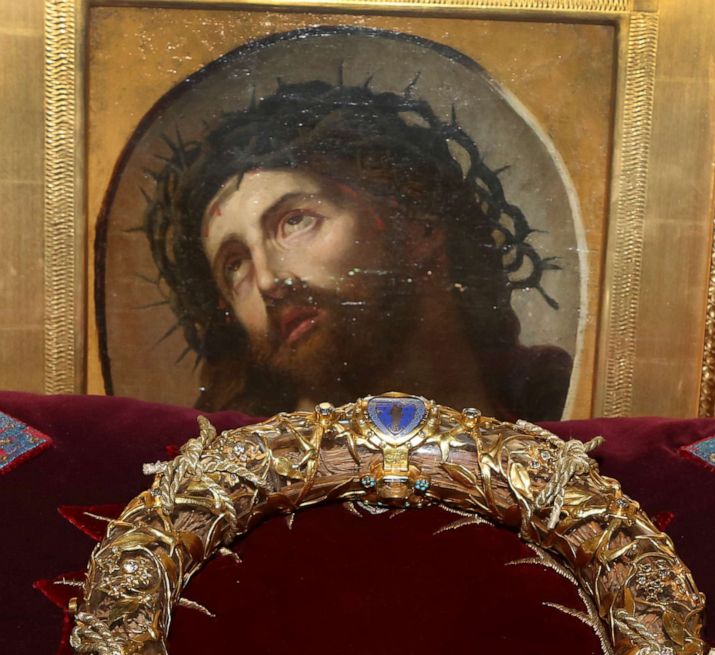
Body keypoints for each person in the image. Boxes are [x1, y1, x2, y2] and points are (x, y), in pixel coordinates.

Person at [145, 78, 572, 420]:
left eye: (294, 221)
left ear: (419, 221)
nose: (270, 282)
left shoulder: (546, 405)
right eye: (235, 265)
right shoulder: (244, 475)